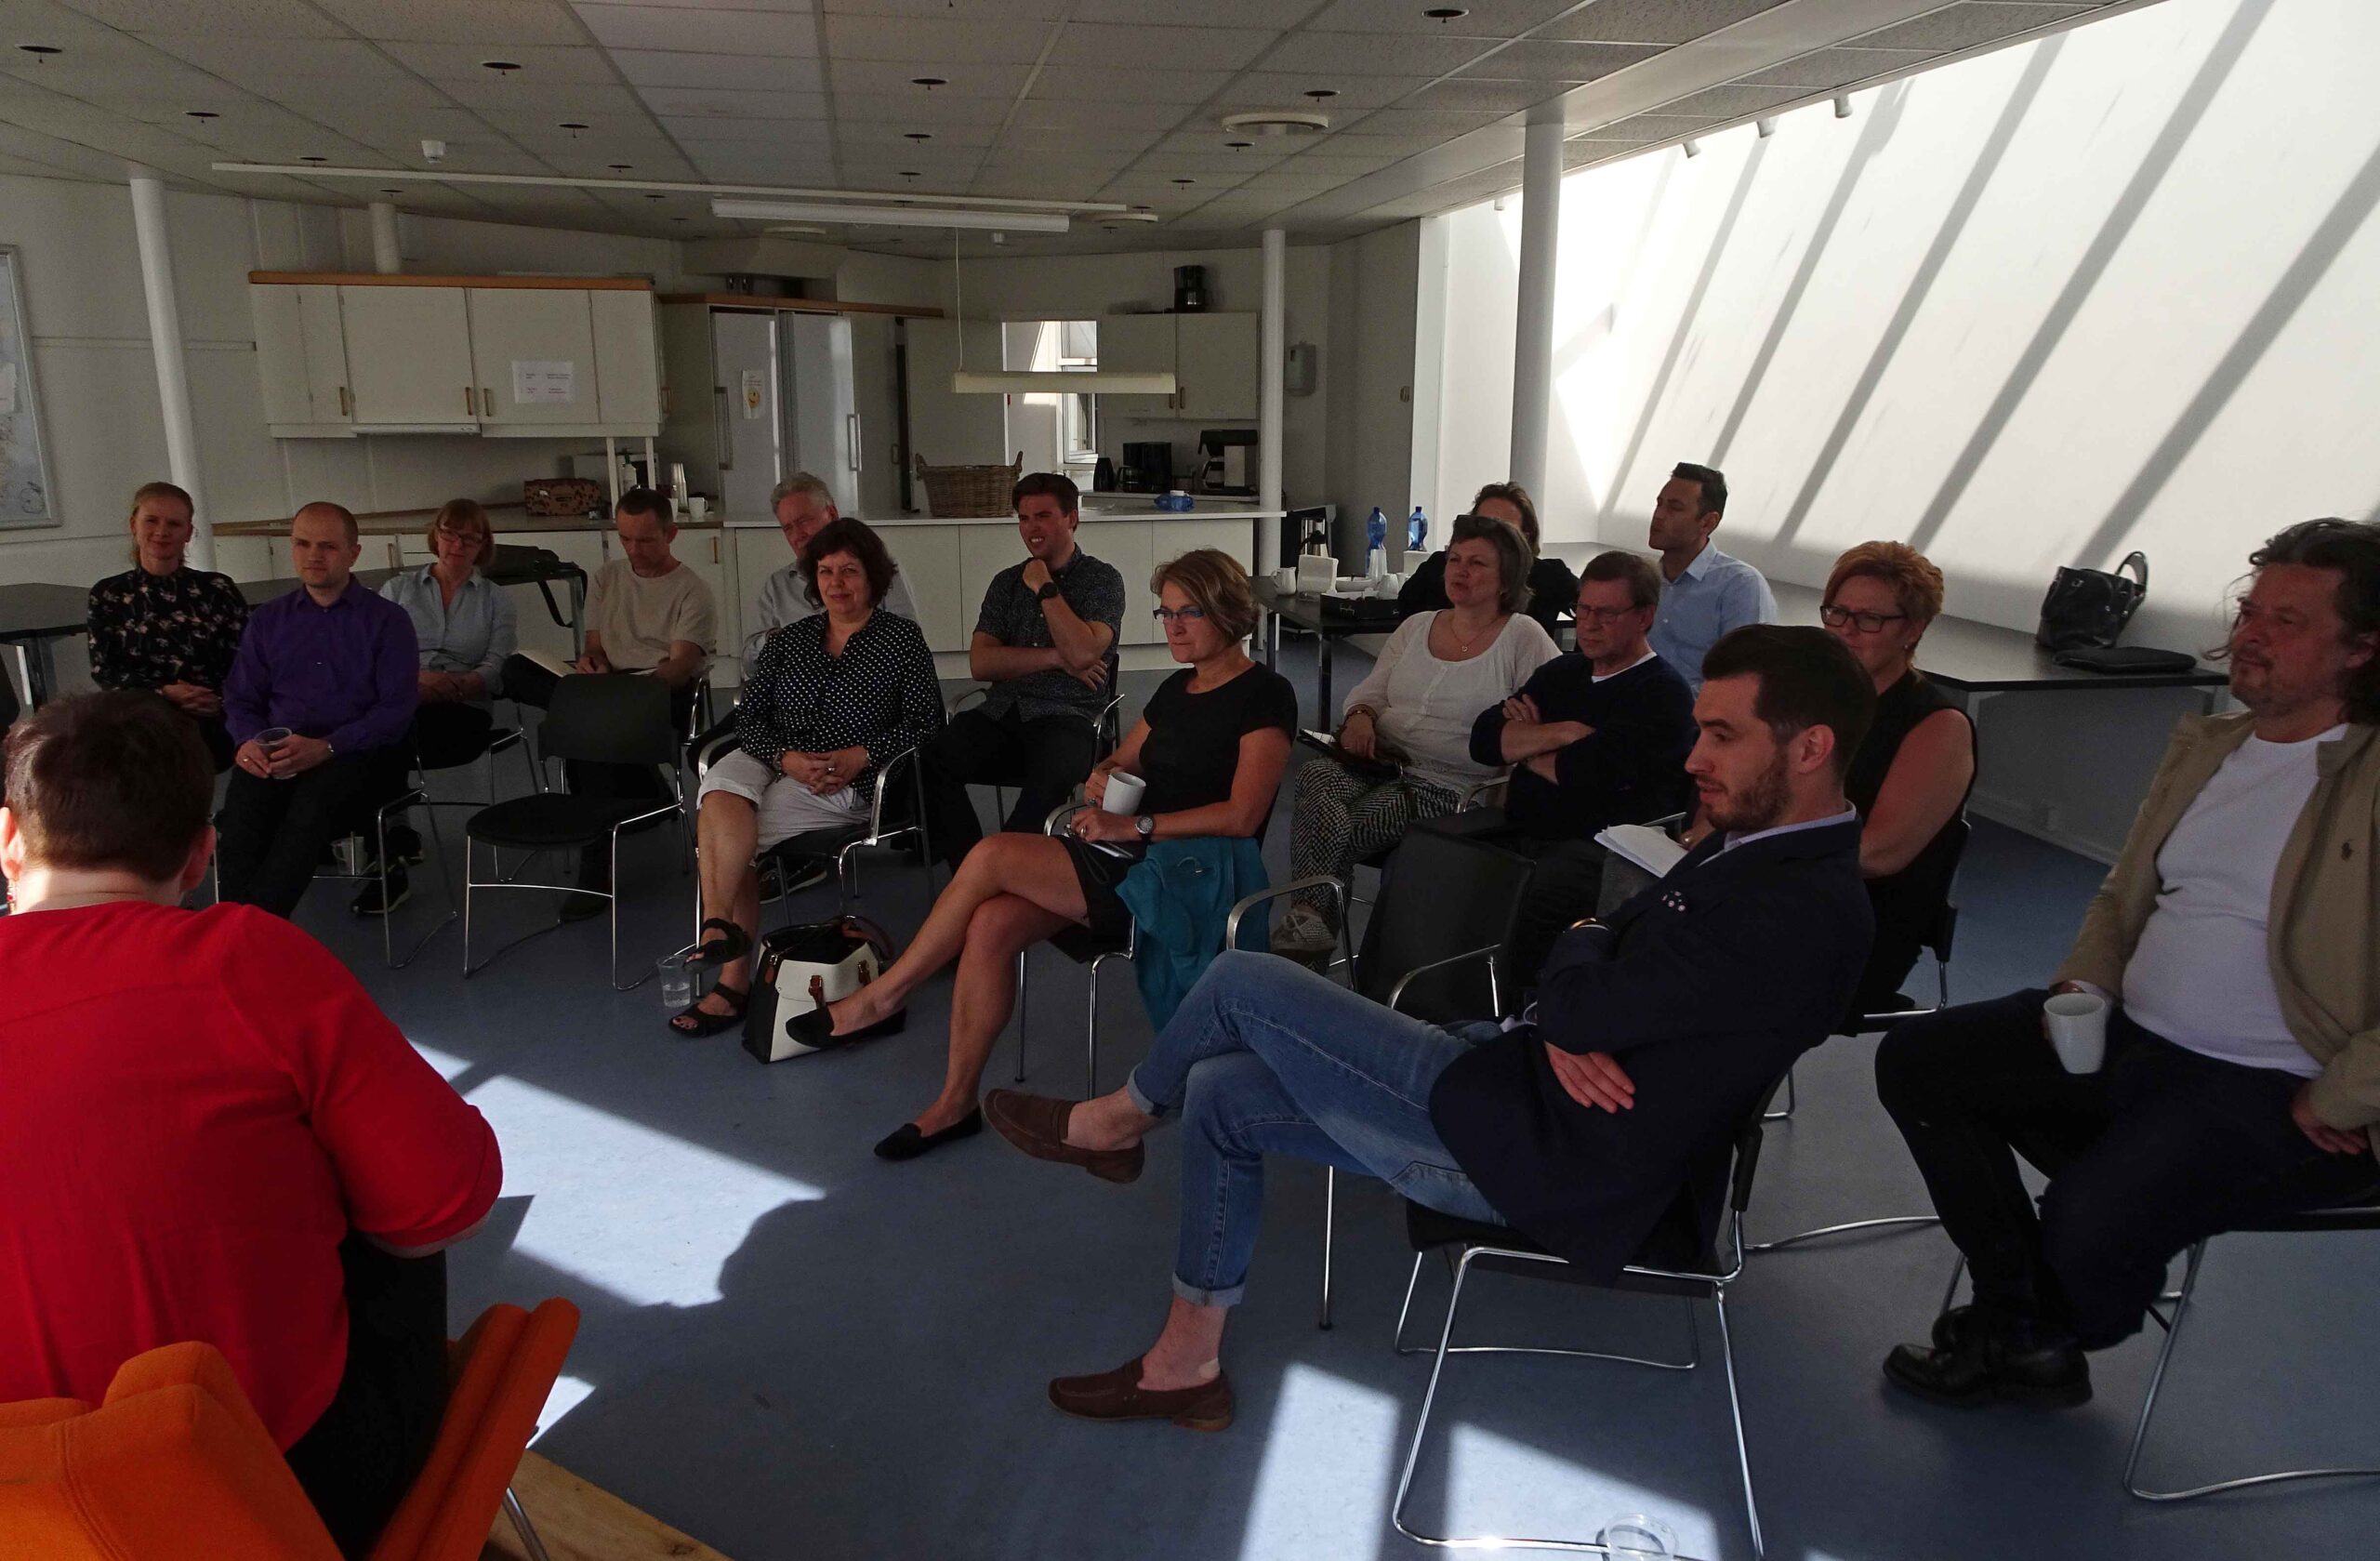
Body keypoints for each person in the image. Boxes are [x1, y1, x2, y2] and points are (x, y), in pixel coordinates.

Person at [980, 626, 1875, 1430]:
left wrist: (1579, 971)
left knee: (1244, 978)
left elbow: (1583, 977)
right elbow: (1596, 949)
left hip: (1544, 1158)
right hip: (1518, 1081)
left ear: (1811, 747)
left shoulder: (1797, 910)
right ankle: (1186, 1365)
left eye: (1722, 735)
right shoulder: (1755, 848)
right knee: (1218, 1090)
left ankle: (1117, 1120)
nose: (1695, 757)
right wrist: (1582, 968)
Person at [1876, 520, 2380, 1410]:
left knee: (2091, 1221)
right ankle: (2027, 1327)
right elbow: (2121, 895)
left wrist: (2338, 1097)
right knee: (1921, 1060)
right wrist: (2083, 983)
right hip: (2134, 1037)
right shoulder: (2214, 749)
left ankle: (2033, 1322)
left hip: (2280, 1087)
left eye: (2288, 621)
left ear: (2362, 648)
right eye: (2250, 610)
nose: (2252, 633)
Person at [0, 692, 501, 1557]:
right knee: (379, 1193)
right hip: (271, 1501)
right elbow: (446, 1208)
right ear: (202, 854)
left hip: (29, 1519)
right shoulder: (244, 958)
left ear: (8, 838)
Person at [825, 549, 1294, 1163]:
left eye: (1189, 613)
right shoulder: (1176, 688)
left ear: (1228, 613)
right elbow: (1121, 758)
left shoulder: (1265, 694)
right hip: (1133, 853)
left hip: (1192, 875)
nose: (1173, 627)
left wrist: (1134, 824)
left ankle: (884, 996)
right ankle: (954, 1103)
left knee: (992, 855)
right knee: (991, 923)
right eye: (1166, 612)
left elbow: (1242, 816)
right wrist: (1104, 774)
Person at [670, 519, 945, 1037]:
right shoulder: (791, 640)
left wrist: (863, 754)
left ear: (873, 577)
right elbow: (749, 719)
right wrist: (784, 757)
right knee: (720, 792)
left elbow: (928, 723)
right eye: (825, 571)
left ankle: (731, 980)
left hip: (842, 777)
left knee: (735, 836)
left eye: (849, 571)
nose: (836, 583)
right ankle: (719, 928)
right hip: (777, 755)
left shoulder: (900, 640)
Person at [1271, 512, 1557, 960]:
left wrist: (1526, 731)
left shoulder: (1522, 637)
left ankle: (1304, 942)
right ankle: (1309, 937)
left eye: (1477, 563)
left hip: (1449, 786)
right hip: (1380, 762)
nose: (1460, 570)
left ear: (1507, 578)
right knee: (1314, 776)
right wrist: (1360, 717)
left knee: (1332, 829)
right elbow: (1370, 692)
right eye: (1455, 559)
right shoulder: (1418, 625)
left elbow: (1556, 708)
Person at [1470, 549, 1699, 987]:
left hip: (1601, 846)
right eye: (1583, 609)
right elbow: (1483, 739)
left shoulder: (1662, 694)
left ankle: (1517, 1010)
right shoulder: (1562, 671)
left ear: (1644, 617)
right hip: (1520, 827)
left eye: (1606, 614)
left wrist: (1526, 744)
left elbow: (1589, 775)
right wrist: (1566, 732)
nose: (1588, 625)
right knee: (1427, 858)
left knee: (1535, 893)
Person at [504, 488, 717, 912]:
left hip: (658, 693)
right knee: (515, 671)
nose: (634, 549)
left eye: (646, 540)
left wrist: (619, 690)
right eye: (625, 539)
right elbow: (594, 646)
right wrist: (592, 663)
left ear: (671, 534)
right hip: (607, 688)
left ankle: (595, 866)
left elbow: (679, 668)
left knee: (585, 729)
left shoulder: (692, 590)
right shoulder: (606, 577)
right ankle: (635, 793)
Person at [218, 502, 419, 919]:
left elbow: (396, 711)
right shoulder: (268, 620)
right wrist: (246, 742)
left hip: (359, 754)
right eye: (302, 544)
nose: (313, 555)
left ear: (353, 553)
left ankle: (255, 931)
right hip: (279, 750)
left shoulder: (388, 621)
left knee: (309, 811)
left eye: (327, 546)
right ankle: (236, 926)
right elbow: (241, 697)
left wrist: (327, 746)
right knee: (240, 815)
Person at [917, 471, 1126, 866]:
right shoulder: (1005, 583)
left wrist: (1045, 587)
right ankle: (971, 869)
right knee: (931, 758)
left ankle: (1006, 866)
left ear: (1072, 518)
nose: (1032, 528)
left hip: (1070, 716)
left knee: (1054, 770)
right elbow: (982, 663)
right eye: (1024, 518)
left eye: (1043, 516)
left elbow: (1084, 652)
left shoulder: (1102, 580)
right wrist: (1058, 658)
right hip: (1003, 711)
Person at [1815, 542, 1976, 1012]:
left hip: (1861, 925)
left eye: (1869, 619)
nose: (1845, 630)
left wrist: (1750, 851)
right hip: (1788, 890)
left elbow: (1878, 854)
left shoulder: (1939, 726)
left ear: (1913, 629)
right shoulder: (1815, 697)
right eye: (1837, 613)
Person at [367, 498, 520, 916]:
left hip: (464, 708)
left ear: (483, 545)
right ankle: (389, 851)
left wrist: (459, 685)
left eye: (469, 538)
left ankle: (390, 841)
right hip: (404, 700)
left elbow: (498, 663)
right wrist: (418, 682)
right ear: (436, 536)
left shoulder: (496, 599)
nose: (457, 544)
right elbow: (377, 656)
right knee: (380, 736)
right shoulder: (398, 590)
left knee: (381, 740)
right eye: (450, 534)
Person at [86, 480, 250, 772]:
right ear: (134, 525)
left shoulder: (217, 589)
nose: (162, 531)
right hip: (139, 717)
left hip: (211, 712)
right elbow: (106, 671)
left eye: (174, 524)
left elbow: (246, 661)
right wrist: (163, 693)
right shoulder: (109, 594)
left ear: (188, 533)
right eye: (152, 520)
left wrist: (219, 699)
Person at [745, 472, 919, 659]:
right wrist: (778, 639)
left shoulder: (880, 568)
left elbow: (909, 643)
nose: (797, 535)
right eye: (788, 528)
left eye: (803, 521)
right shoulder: (778, 585)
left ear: (832, 514)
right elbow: (749, 662)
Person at [1645, 462, 1777, 693]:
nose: (1658, 515)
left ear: (1707, 522)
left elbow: (1743, 679)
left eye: (1674, 508)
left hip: (1701, 711)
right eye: (1659, 504)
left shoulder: (1740, 585)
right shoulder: (1647, 580)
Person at [1397, 481, 1580, 640]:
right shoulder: (1441, 565)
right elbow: (1407, 611)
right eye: (1482, 524)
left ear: (1525, 537)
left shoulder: (1550, 575)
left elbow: (1590, 607)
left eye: (1504, 530)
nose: (1489, 537)